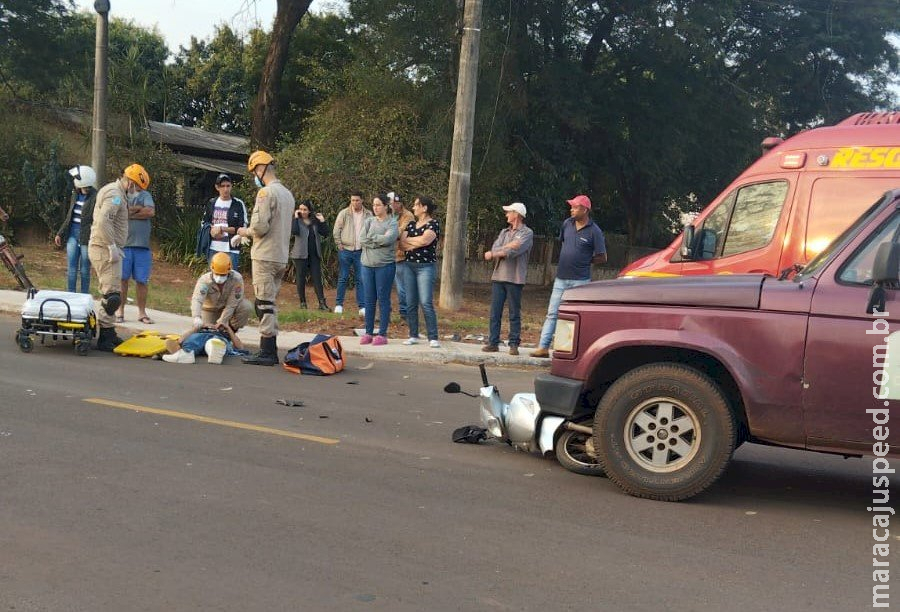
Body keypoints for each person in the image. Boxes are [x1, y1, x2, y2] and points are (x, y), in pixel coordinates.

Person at [235, 150, 294, 366]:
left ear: (261, 169)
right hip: (280, 255)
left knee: (263, 303)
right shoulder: (288, 194)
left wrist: (244, 232)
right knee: (269, 302)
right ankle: (270, 347)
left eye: (254, 171)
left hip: (265, 254)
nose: (254, 176)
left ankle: (267, 351)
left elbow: (259, 227)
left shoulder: (266, 194)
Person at [532, 194, 607, 358]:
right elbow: (564, 243)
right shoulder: (567, 224)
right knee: (552, 313)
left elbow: (603, 256)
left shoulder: (595, 231)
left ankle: (569, 351)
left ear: (585, 210)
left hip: (580, 281)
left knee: (574, 317)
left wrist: (587, 260)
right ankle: (543, 347)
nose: (571, 209)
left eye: (575, 207)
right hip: (561, 278)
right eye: (571, 207)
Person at [88, 164, 150, 351]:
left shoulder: (118, 194)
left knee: (113, 291)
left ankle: (109, 331)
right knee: (112, 295)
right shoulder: (115, 195)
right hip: (104, 248)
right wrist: (111, 245)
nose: (137, 192)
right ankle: (104, 337)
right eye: (137, 187)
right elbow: (103, 221)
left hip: (109, 247)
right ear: (131, 182)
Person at [163, 252, 253, 364]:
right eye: (218, 274)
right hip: (209, 312)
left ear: (229, 270)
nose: (220, 277)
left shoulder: (236, 278)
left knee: (245, 307)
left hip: (224, 324)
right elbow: (197, 299)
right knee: (196, 339)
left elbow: (232, 304)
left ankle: (204, 350)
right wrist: (197, 320)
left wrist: (226, 326)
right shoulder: (205, 280)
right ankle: (187, 352)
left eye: (223, 275)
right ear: (212, 269)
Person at [482, 202, 534, 356]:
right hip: (498, 276)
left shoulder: (527, 233)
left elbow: (512, 253)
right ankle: (493, 342)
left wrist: (497, 252)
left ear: (516, 214)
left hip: (515, 278)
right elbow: (494, 249)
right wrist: (509, 246)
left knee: (514, 313)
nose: (506, 215)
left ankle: (514, 344)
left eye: (509, 212)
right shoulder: (504, 232)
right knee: (495, 312)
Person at [399, 196, 441, 348]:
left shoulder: (434, 223)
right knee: (410, 302)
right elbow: (402, 245)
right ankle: (413, 334)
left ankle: (433, 337)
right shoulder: (411, 224)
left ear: (424, 208)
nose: (413, 207)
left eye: (416, 205)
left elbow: (426, 241)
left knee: (425, 302)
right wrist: (417, 242)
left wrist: (412, 241)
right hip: (409, 266)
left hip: (426, 267)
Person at [360, 194, 399, 345]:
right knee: (369, 299)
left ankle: (382, 333)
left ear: (385, 206)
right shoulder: (369, 221)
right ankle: (368, 332)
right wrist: (378, 239)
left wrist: (372, 239)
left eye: (378, 205)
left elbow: (389, 239)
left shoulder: (392, 223)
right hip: (367, 265)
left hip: (384, 266)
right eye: (374, 205)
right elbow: (362, 239)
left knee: (383, 299)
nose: (375, 208)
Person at [55, 165, 97, 294]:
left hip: (87, 237)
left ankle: (84, 295)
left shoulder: (96, 196)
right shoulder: (75, 194)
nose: (74, 181)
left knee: (85, 269)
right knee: (71, 268)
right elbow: (69, 216)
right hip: (73, 235)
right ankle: (70, 294)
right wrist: (60, 233)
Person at [116, 188, 155, 324]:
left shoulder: (146, 195)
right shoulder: (119, 194)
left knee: (142, 281)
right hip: (124, 246)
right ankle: (120, 311)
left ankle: (142, 313)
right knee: (122, 280)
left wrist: (128, 213)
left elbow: (150, 211)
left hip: (142, 247)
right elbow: (116, 211)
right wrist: (138, 209)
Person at [332, 191, 371, 315]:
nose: (354, 202)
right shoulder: (344, 213)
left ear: (362, 200)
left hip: (361, 251)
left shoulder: (368, 214)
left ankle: (362, 307)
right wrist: (339, 244)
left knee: (361, 279)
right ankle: (339, 305)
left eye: (357, 200)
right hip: (346, 250)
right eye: (352, 200)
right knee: (343, 278)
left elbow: (372, 231)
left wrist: (367, 246)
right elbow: (336, 230)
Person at [290, 199, 329, 310]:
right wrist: (296, 218)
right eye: (301, 209)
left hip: (314, 254)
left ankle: (322, 303)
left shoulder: (314, 221)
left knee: (317, 278)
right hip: (300, 254)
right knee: (301, 278)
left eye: (305, 209)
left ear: (310, 210)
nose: (302, 211)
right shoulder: (297, 221)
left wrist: (322, 221)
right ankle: (303, 303)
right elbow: (295, 231)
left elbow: (325, 233)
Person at [203, 173, 248, 270]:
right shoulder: (212, 203)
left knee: (231, 279)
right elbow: (204, 222)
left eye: (228, 186)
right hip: (213, 248)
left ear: (231, 186)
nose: (225, 189)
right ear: (217, 187)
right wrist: (211, 231)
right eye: (222, 186)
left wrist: (223, 229)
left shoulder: (238, 204)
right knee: (213, 279)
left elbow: (243, 227)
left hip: (231, 249)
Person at [388, 191, 414, 318]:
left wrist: (386, 234)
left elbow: (400, 232)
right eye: (393, 203)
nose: (394, 205)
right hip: (386, 256)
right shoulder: (386, 214)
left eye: (397, 203)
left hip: (400, 256)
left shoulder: (408, 216)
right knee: (383, 287)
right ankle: (385, 311)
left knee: (402, 287)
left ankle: (404, 312)